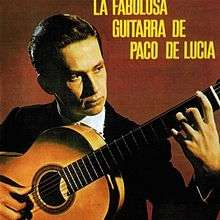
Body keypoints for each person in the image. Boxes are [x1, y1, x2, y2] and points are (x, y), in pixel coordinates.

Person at [0, 14, 219, 220]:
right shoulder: (22, 123)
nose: (94, 88)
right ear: (46, 84)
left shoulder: (142, 144)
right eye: (75, 76)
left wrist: (209, 174)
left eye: (98, 68)